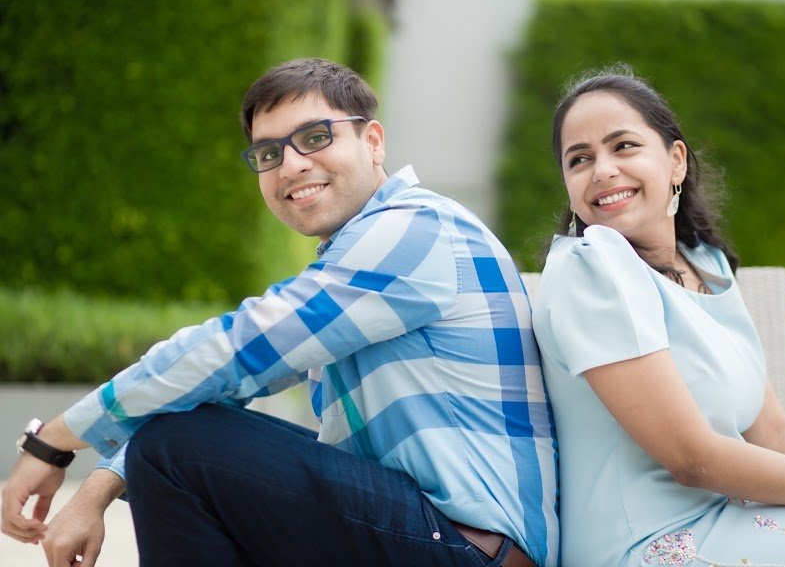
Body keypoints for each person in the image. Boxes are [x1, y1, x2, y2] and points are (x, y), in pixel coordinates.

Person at [1, 57, 558, 567]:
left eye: (315, 137)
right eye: (269, 153)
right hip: (436, 535)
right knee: (181, 437)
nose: (291, 164)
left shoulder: (415, 231)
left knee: (180, 450)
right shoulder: (358, 256)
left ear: (374, 141)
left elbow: (238, 349)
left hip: (472, 548)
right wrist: (99, 487)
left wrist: (53, 439)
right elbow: (213, 389)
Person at [532, 65, 785, 567]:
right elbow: (693, 459)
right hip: (649, 547)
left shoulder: (707, 264)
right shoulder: (590, 271)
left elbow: (775, 434)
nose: (603, 169)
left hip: (732, 519)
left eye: (624, 146)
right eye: (580, 159)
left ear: (675, 160)